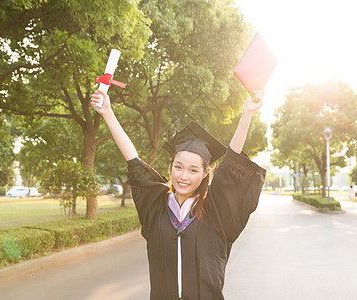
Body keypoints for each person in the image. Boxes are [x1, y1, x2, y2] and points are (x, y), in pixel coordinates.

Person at [91, 89, 266, 300]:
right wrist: (108, 113)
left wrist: (247, 113)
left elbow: (230, 163)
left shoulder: (215, 212)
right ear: (171, 167)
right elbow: (134, 161)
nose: (184, 176)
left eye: (193, 170)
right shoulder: (157, 207)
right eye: (178, 167)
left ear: (204, 173)